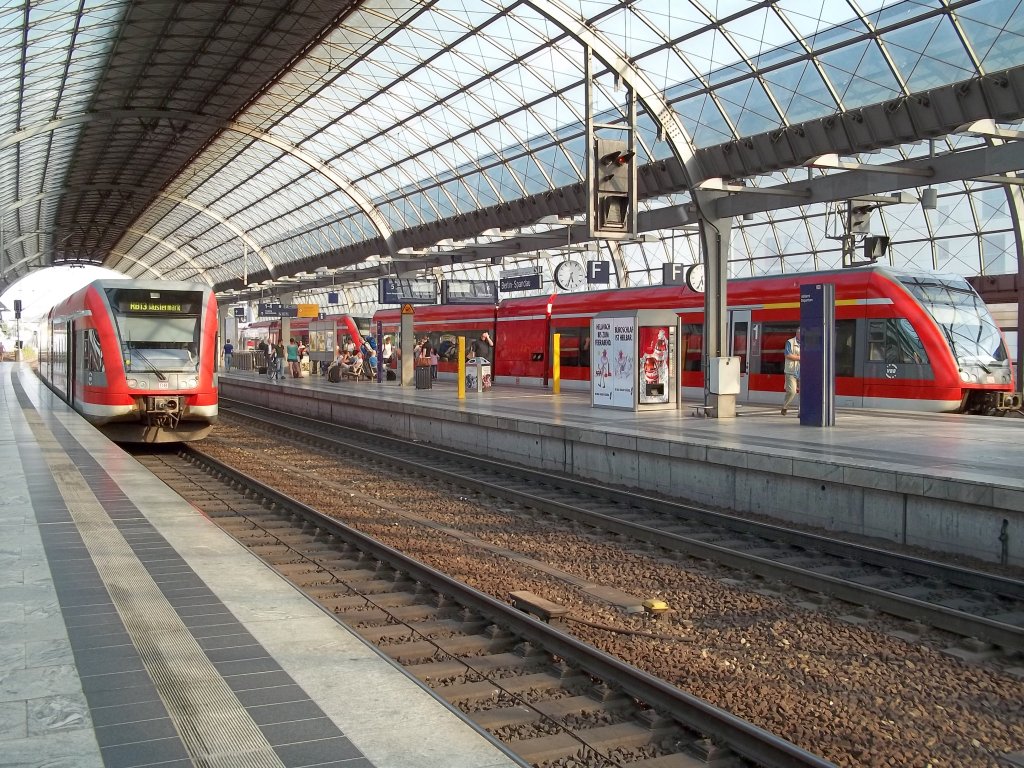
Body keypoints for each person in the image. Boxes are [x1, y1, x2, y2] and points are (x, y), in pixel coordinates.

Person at [782, 333, 800, 415]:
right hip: (791, 370)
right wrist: (800, 357)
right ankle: (785, 407)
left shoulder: (807, 342)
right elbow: (787, 355)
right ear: (797, 334)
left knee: (803, 393)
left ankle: (801, 411)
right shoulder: (790, 342)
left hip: (802, 371)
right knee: (792, 391)